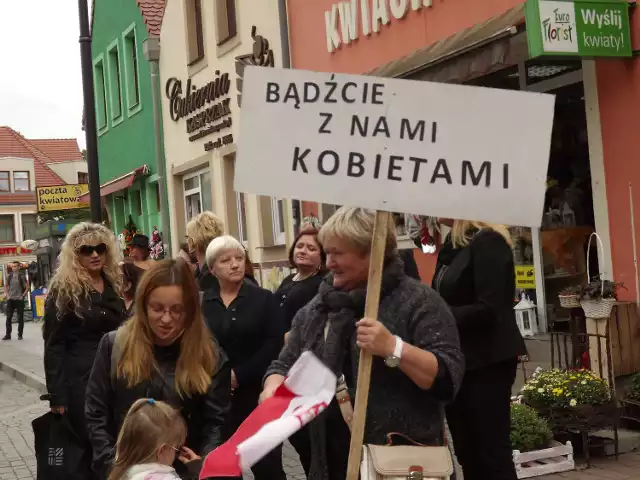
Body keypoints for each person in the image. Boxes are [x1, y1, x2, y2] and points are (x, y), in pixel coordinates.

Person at [261, 207, 464, 480]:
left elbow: (447, 379)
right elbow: (283, 363)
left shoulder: (419, 302)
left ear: (372, 252)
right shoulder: (319, 308)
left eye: (338, 253)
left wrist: (394, 348)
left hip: (398, 467)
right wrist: (273, 387)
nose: (329, 262)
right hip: (331, 465)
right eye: (327, 252)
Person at [85, 259, 231, 479]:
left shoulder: (209, 355)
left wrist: (203, 465)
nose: (166, 319)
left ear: (190, 310)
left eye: (176, 310)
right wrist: (112, 465)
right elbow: (96, 412)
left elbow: (217, 421)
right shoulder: (114, 346)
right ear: (143, 305)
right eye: (157, 308)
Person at [433, 219, 527, 480]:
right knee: (467, 452)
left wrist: (441, 315)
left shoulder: (489, 242)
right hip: (458, 361)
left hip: (488, 361)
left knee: (491, 453)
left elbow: (491, 308)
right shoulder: (453, 245)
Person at [43, 222, 125, 477]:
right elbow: (54, 344)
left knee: (114, 441)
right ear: (74, 255)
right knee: (88, 445)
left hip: (115, 377)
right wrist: (57, 396)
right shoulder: (63, 290)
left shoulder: (114, 284)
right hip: (80, 381)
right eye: (86, 250)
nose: (94, 254)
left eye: (100, 248)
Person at [201, 235, 286, 479]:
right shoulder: (202, 302)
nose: (235, 264)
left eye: (239, 258)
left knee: (267, 465)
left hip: (256, 392)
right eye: (226, 260)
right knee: (223, 465)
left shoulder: (263, 299)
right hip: (214, 398)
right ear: (212, 268)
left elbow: (275, 343)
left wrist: (240, 375)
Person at [272, 228, 325, 475]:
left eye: (311, 248)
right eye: (300, 246)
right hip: (282, 363)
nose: (303, 250)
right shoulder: (287, 280)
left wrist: (290, 337)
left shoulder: (320, 285)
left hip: (304, 365)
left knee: (306, 437)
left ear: (322, 257)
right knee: (293, 433)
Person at [108, 398, 202, 480]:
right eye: (176, 449)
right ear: (162, 450)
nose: (175, 455)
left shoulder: (122, 474)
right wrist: (198, 469)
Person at [185, 211, 224, 290]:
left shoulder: (209, 277)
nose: (186, 241)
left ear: (193, 242)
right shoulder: (219, 269)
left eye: (187, 237)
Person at [3, 262, 29, 340]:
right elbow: (6, 286)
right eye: (12, 266)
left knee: (20, 318)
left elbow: (27, 287)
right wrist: (6, 294)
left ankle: (20, 335)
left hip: (19, 300)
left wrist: (23, 296)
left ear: (18, 267)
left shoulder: (22, 276)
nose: (13, 268)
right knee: (8, 318)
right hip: (10, 300)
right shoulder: (9, 276)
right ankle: (8, 335)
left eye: (15, 266)